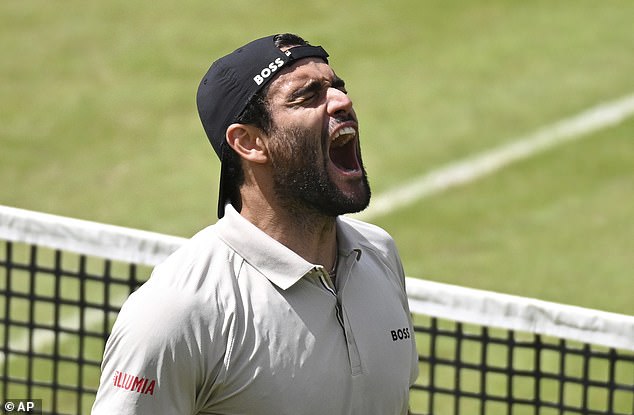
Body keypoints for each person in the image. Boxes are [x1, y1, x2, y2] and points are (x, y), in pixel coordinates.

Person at [92, 33, 418, 415]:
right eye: (308, 96)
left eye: (338, 87)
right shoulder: (178, 311)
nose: (343, 101)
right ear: (249, 143)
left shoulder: (378, 253)